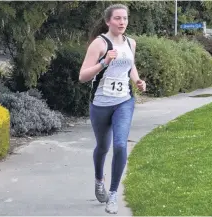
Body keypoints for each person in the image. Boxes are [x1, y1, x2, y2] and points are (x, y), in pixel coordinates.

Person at [79, 4, 146, 214]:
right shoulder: (99, 44)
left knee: (120, 145)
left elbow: (130, 65)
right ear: (108, 21)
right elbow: (83, 76)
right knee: (103, 147)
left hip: (124, 101)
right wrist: (104, 62)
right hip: (100, 104)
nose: (122, 22)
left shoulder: (131, 43)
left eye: (125, 18)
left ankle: (114, 194)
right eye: (117, 18)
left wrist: (137, 81)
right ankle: (99, 179)